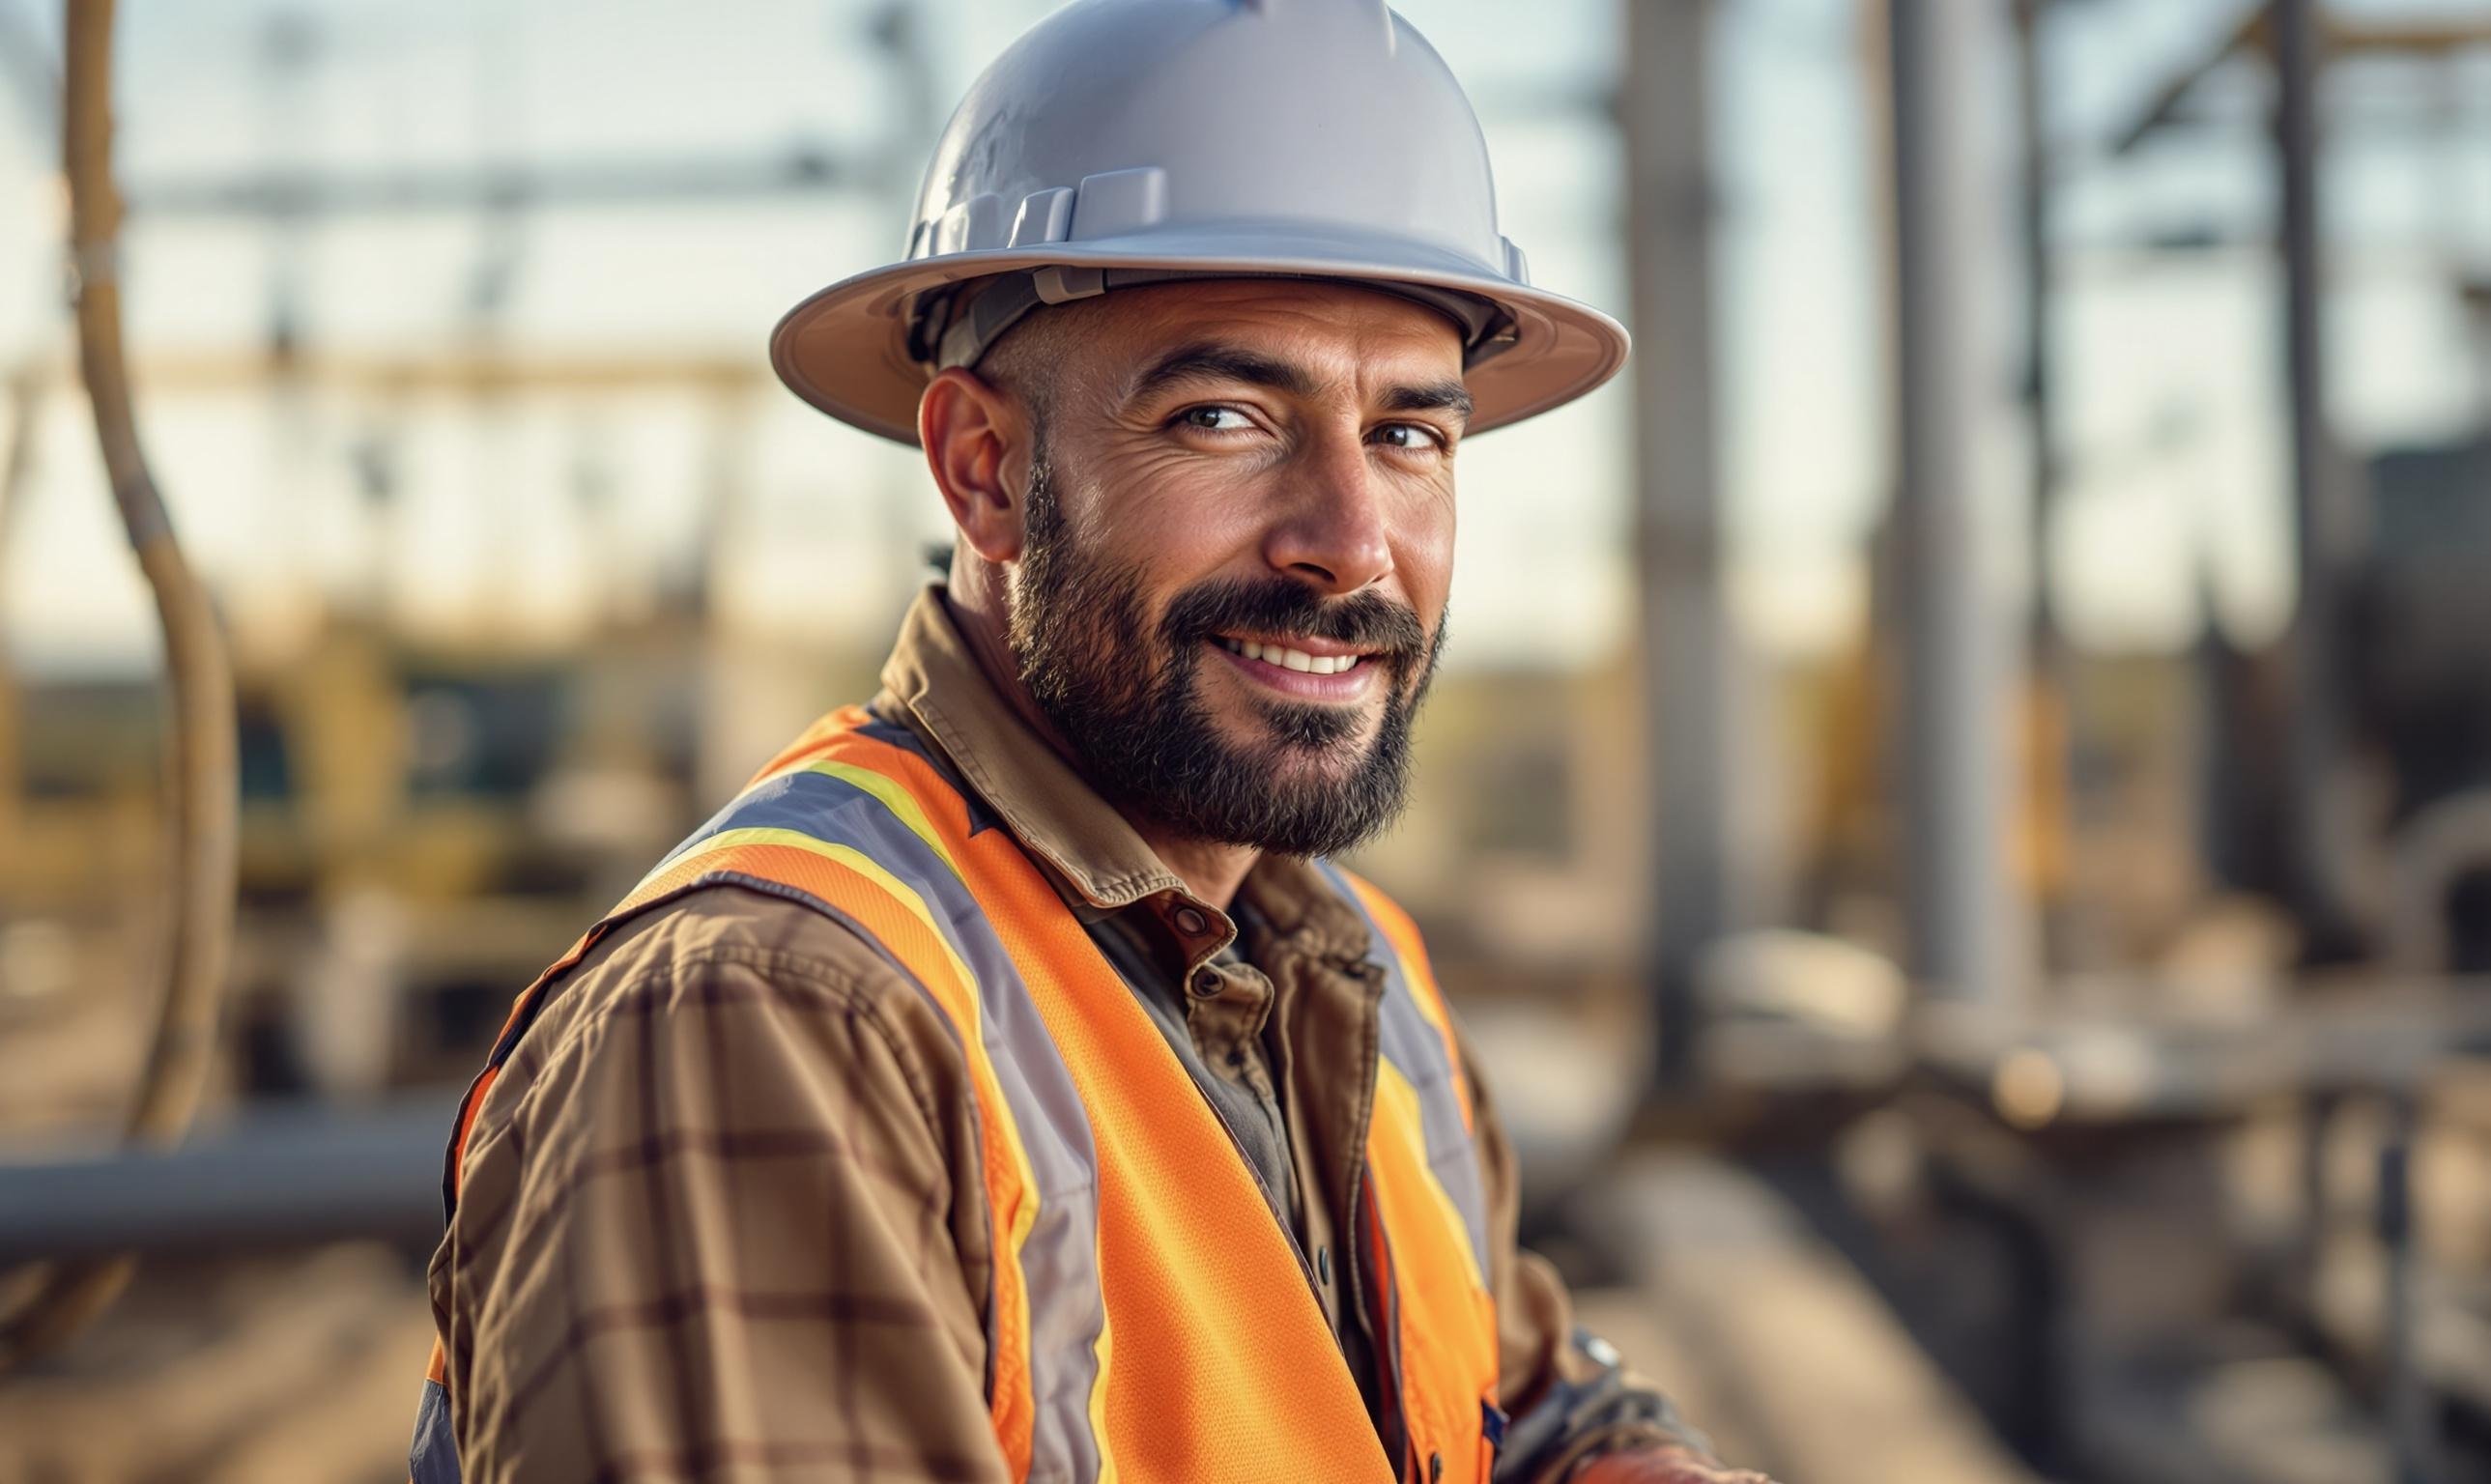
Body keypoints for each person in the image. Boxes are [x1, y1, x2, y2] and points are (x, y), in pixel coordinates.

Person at [414, 2, 1769, 1480]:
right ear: (984, 470)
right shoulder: (778, 1021)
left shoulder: (1348, 967)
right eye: (1228, 416)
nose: (1350, 545)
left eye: (1407, 437)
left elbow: (1529, 1413)